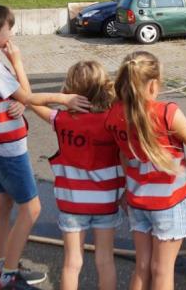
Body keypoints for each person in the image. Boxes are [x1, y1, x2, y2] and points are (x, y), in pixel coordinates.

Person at [0, 3, 90, 290]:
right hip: (8, 147)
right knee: (32, 209)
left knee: (3, 204)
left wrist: (21, 99)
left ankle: (6, 265)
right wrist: (64, 99)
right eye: (9, 29)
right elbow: (28, 96)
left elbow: (19, 98)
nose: (11, 34)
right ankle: (8, 276)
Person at [105, 51, 186, 290]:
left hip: (137, 201)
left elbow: (123, 155)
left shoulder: (113, 114)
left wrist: (126, 189)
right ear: (153, 85)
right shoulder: (167, 113)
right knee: (162, 270)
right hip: (168, 203)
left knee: (142, 266)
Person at [30, 61, 123, 290]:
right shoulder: (112, 119)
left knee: (72, 263)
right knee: (105, 260)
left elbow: (31, 100)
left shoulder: (62, 120)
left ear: (71, 89)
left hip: (71, 203)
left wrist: (62, 99)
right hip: (106, 202)